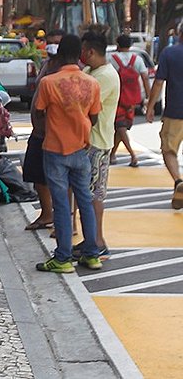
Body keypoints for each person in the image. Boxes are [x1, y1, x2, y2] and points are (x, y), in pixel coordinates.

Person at [34, 35, 103, 273]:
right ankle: (92, 254)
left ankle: (63, 258)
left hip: (54, 149)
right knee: (85, 200)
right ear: (80, 55)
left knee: (61, 204)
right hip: (81, 150)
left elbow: (39, 113)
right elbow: (94, 117)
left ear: (60, 54)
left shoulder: (48, 83)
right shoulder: (92, 83)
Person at [79, 31, 119, 258]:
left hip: (97, 142)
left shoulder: (105, 76)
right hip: (90, 142)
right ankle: (91, 240)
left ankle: (97, 242)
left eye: (83, 51)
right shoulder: (90, 71)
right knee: (89, 192)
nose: (80, 55)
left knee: (93, 194)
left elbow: (86, 107)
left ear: (91, 52)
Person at [146, 19, 183, 209]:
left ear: (179, 33)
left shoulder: (169, 53)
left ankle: (178, 181)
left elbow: (159, 83)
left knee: (169, 150)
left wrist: (151, 106)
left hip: (175, 112)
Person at [23, 58, 61, 231]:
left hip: (50, 134)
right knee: (37, 176)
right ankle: (47, 214)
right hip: (39, 133)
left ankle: (60, 219)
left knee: (53, 179)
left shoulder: (60, 75)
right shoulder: (48, 64)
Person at [110, 34, 150, 167]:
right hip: (132, 101)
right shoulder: (137, 59)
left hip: (117, 99)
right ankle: (123, 155)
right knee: (121, 127)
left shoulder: (112, 59)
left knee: (120, 128)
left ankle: (122, 155)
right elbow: (145, 78)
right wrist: (148, 98)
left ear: (118, 45)